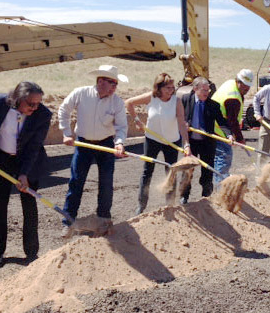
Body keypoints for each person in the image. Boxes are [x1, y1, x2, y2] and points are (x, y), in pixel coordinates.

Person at [0, 81, 52, 268]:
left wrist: (24, 174)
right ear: (18, 99)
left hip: (27, 160)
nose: (35, 108)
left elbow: (34, 147)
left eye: (38, 103)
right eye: (31, 104)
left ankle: (31, 252)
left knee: (29, 203)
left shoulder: (43, 115)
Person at [58, 65, 127, 235]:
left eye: (115, 84)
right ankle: (68, 221)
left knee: (106, 183)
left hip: (106, 145)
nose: (113, 87)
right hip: (83, 144)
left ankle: (104, 219)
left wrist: (119, 143)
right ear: (100, 81)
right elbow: (63, 110)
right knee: (76, 181)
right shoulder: (81, 93)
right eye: (111, 83)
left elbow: (121, 126)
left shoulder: (117, 102)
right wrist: (66, 133)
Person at [125, 73, 191, 215]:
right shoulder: (151, 97)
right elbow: (129, 103)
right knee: (147, 171)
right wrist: (136, 120)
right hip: (152, 140)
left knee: (171, 171)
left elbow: (181, 124)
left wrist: (186, 144)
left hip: (172, 141)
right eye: (167, 88)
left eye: (172, 88)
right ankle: (141, 205)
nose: (171, 91)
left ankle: (170, 203)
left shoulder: (176, 101)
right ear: (159, 88)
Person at [180, 76, 232, 204]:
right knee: (187, 169)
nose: (206, 93)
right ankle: (184, 196)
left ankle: (206, 196)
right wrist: (183, 124)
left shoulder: (213, 105)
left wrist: (228, 135)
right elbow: (178, 117)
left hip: (207, 142)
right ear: (195, 89)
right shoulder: (185, 100)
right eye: (203, 90)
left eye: (208, 90)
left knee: (207, 170)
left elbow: (222, 122)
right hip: (190, 142)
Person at [211, 68, 253, 185]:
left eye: (248, 86)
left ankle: (218, 181)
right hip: (219, 128)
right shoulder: (233, 98)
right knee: (224, 157)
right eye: (244, 86)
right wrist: (240, 138)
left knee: (218, 158)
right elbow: (232, 121)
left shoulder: (230, 83)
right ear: (238, 81)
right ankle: (221, 186)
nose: (246, 89)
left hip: (213, 124)